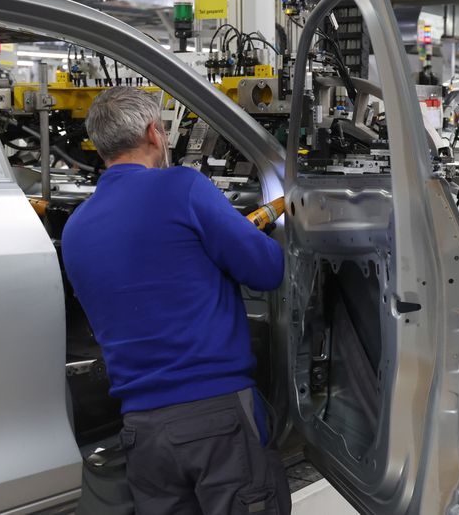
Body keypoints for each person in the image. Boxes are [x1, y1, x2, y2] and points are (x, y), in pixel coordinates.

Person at [61, 87, 288, 515]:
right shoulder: (182, 187)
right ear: (155, 133)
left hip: (142, 433)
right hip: (215, 417)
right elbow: (266, 271)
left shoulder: (76, 228)